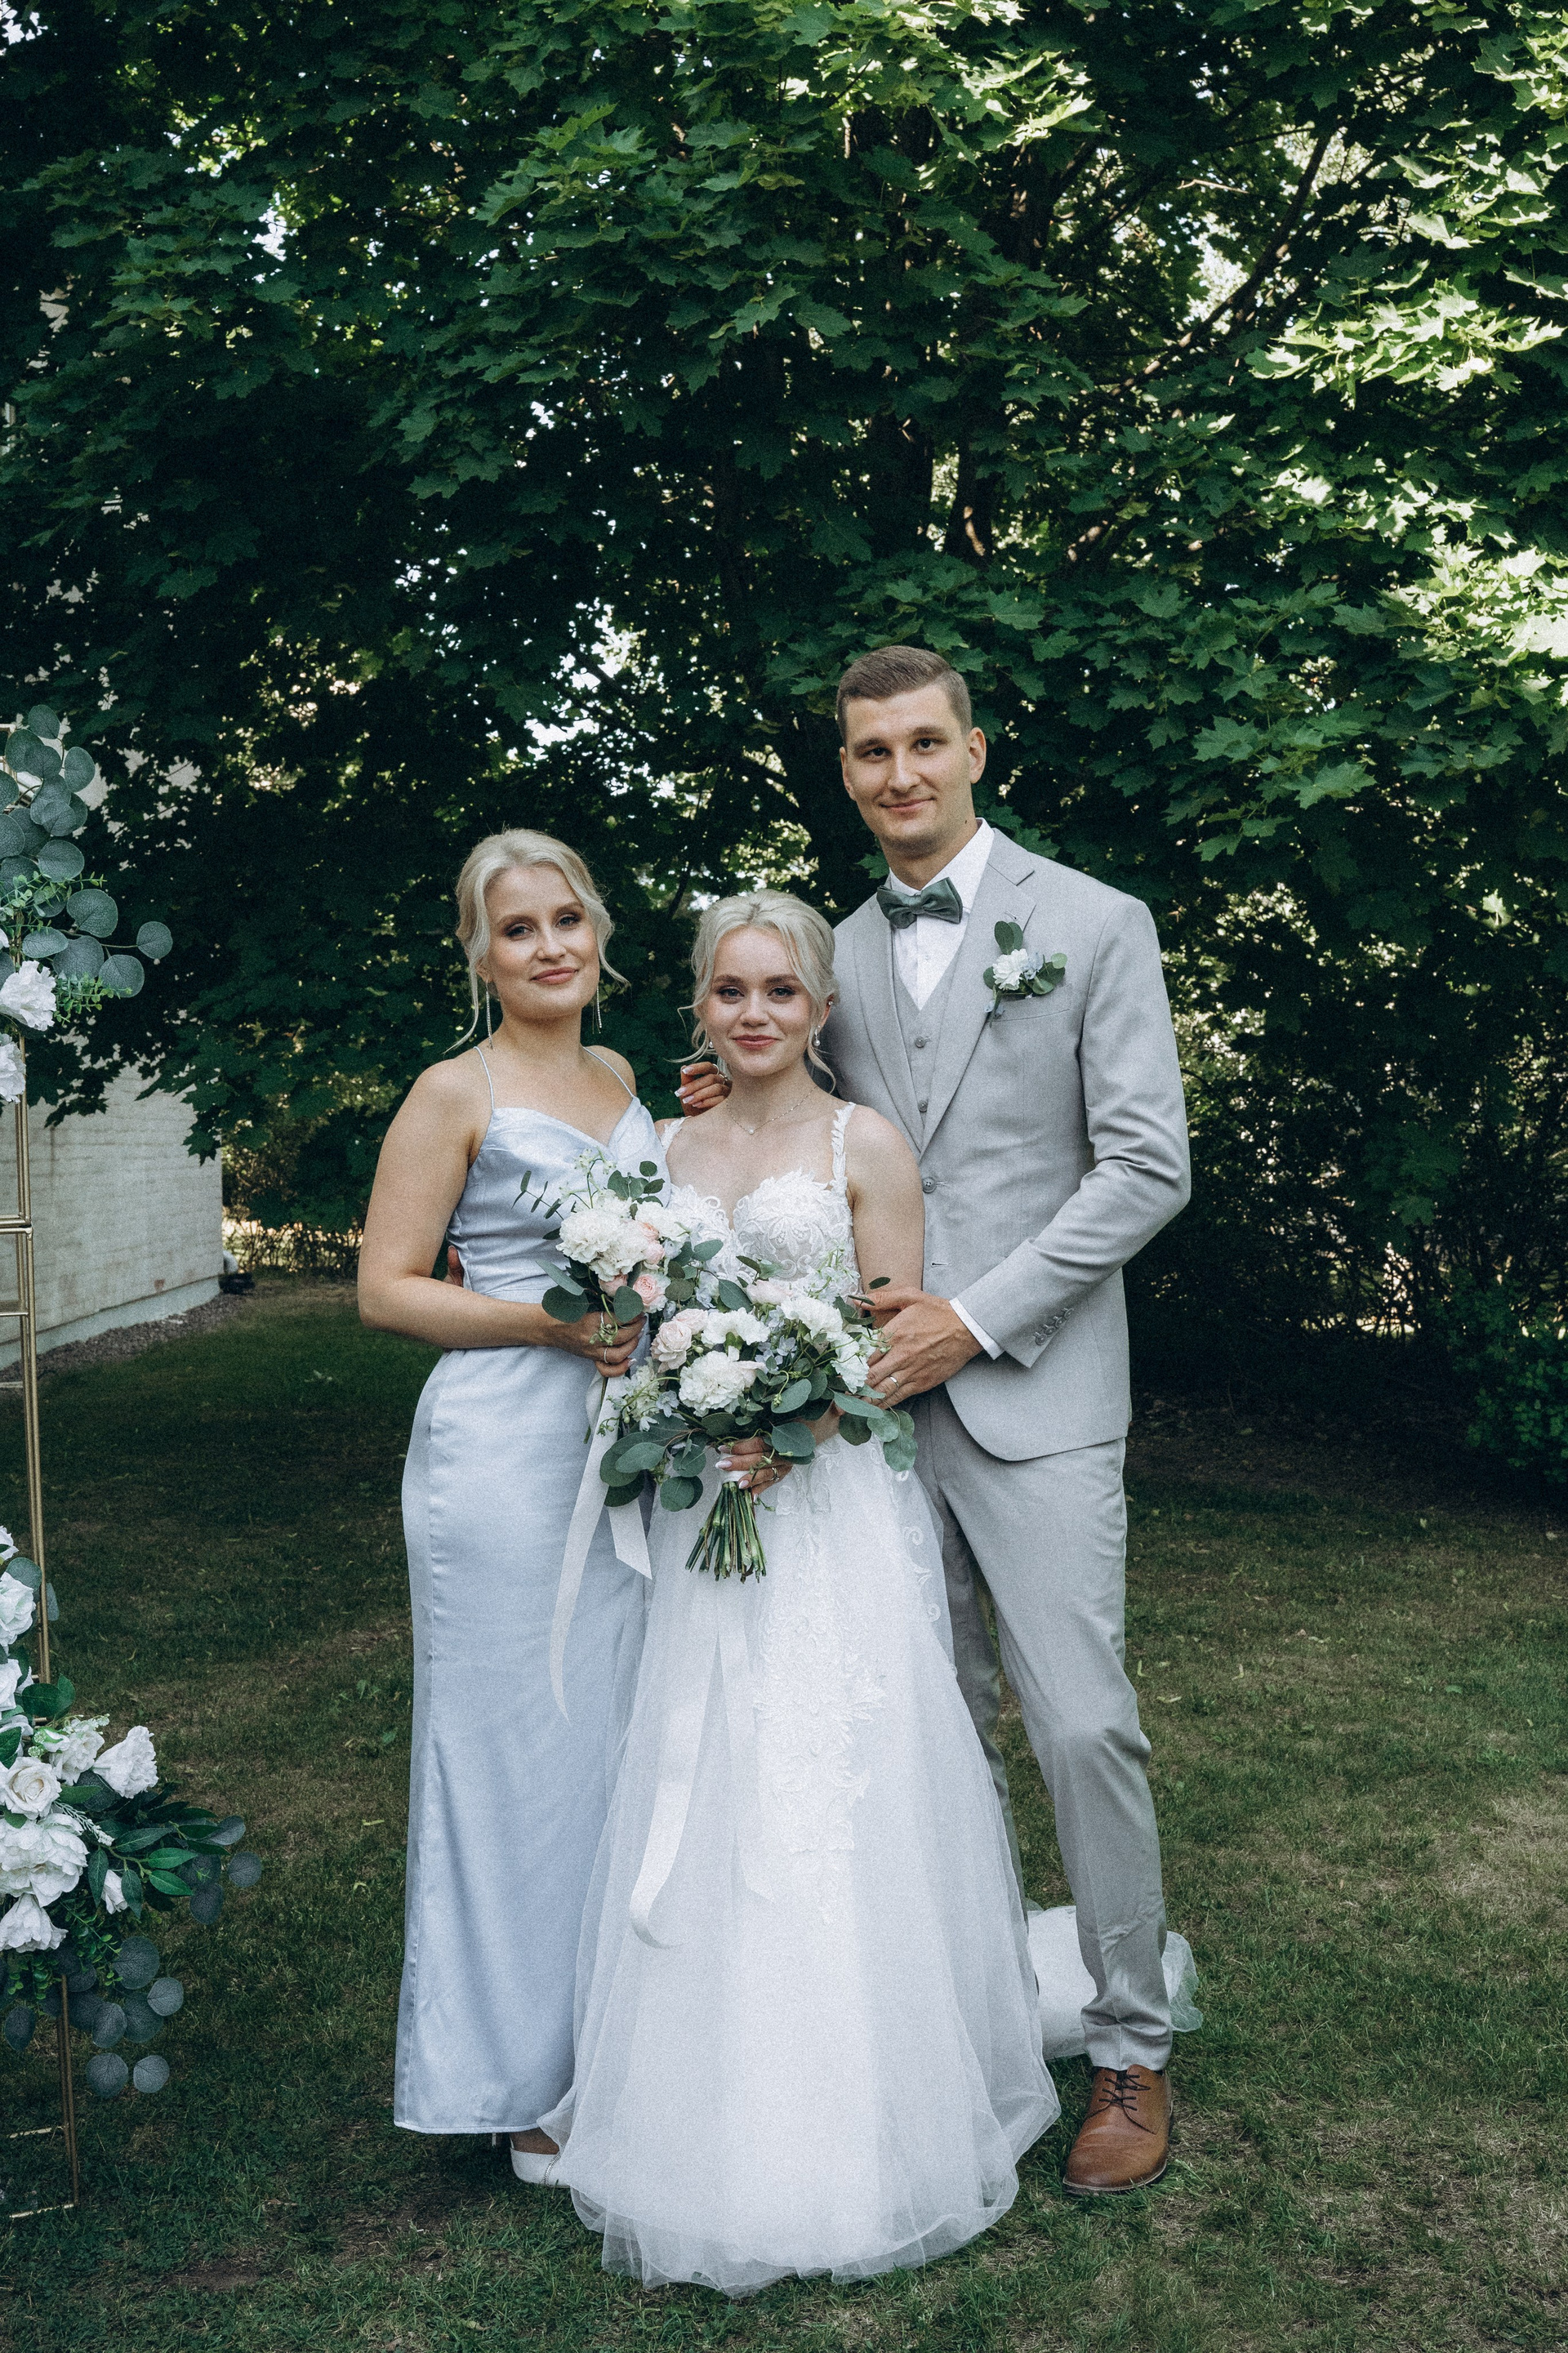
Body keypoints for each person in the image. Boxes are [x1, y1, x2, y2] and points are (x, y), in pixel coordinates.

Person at [680, 645, 1192, 2195]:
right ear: (846, 773)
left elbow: (1146, 1167)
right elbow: (808, 1125)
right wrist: (730, 1093)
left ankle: (1129, 2047)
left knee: (1080, 1722)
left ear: (974, 748)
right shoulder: (823, 952)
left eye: (922, 743)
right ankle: (949, 2027)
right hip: (865, 1425)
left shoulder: (1095, 923)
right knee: (916, 1727)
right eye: (869, 752)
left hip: (1034, 1392)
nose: (898, 773)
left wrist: (973, 1315)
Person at [541, 892, 1059, 2293]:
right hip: (708, 1508)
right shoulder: (662, 1150)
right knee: (710, 1772)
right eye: (731, 990)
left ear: (822, 1009)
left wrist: (798, 1424)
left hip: (829, 1516)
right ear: (700, 1005)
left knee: (835, 1783)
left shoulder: (862, 1144)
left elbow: (892, 1343)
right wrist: (678, 1401)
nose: (755, 1013)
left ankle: (868, 2120)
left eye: (781, 990)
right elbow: (638, 1315)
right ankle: (696, 2110)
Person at [358, 829, 659, 2177]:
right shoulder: (452, 1090)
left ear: (599, 932)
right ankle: (512, 2083)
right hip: (497, 1454)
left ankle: (602, 2047)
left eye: (566, 919)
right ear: (478, 955)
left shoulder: (624, 1076)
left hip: (621, 1446)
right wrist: (545, 1323)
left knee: (606, 1749)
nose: (548, 946)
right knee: (505, 1758)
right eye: (517, 927)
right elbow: (385, 1288)